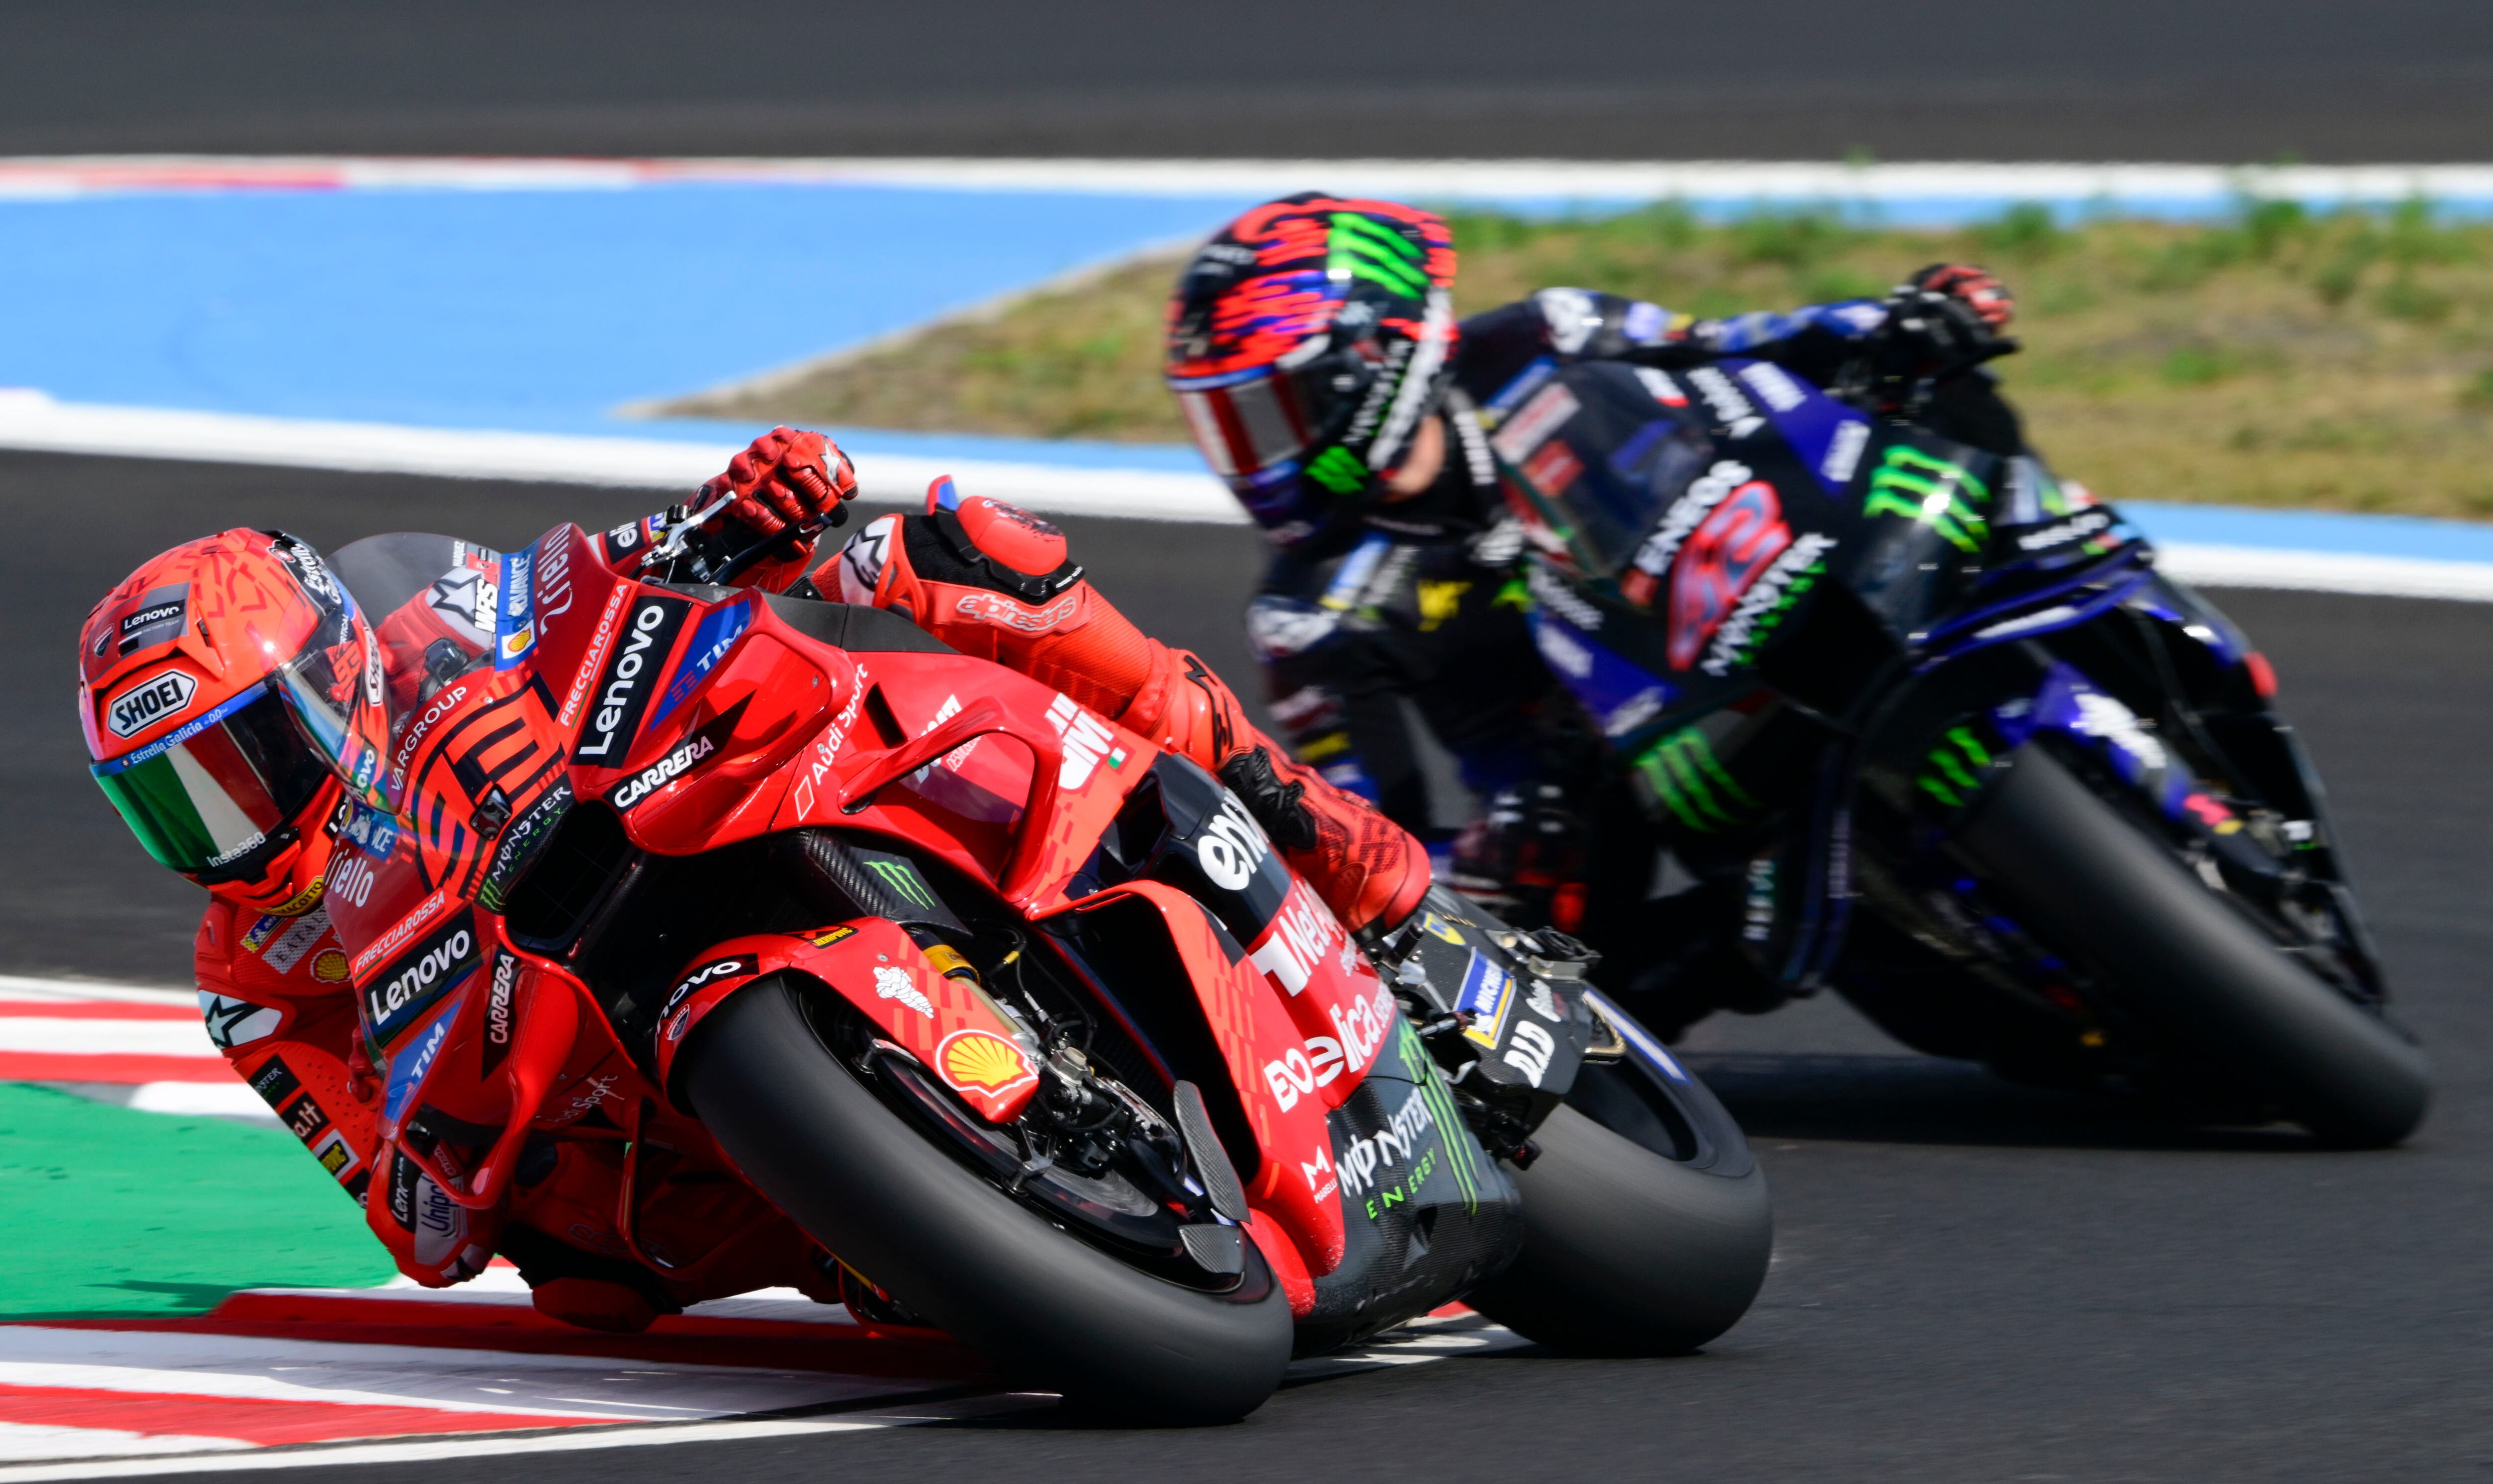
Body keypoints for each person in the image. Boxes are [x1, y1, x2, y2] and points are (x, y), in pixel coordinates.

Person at [76, 430, 1429, 1331]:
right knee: (584, 1278)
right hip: (623, 1114)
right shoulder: (251, 980)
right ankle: (915, 1206)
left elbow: (611, 578)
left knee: (962, 572)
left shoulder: (437, 628)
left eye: (239, 764)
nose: (226, 825)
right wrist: (440, 1117)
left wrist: (739, 511)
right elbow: (418, 1226)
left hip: (682, 826)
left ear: (332, 676)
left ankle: (1307, 831)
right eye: (171, 801)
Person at [1163, 190, 2021, 990]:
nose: (1252, 459)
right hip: (1599, 786)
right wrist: (1480, 856)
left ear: (1369, 360)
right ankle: (1690, 1006)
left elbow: (1751, 345)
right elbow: (1354, 845)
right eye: (1226, 426)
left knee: (1946, 391)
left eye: (1271, 412)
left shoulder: (1549, 335)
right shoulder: (1310, 614)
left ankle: (2066, 569)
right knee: (1551, 952)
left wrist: (1894, 324)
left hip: (1748, 600)